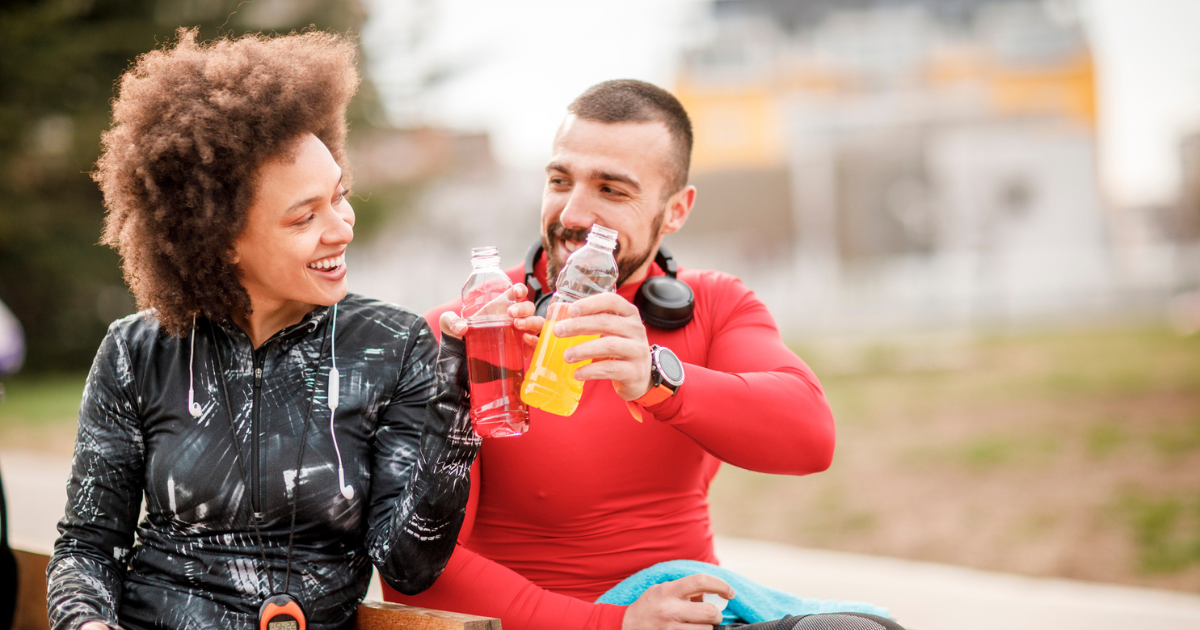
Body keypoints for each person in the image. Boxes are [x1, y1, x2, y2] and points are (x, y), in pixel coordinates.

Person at [46, 30, 480, 630]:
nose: (341, 228)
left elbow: (409, 566)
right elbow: (87, 548)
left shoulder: (394, 345)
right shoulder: (136, 352)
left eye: (340, 196)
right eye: (305, 216)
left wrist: (454, 416)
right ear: (219, 241)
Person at [385, 80, 839, 630]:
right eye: (559, 181)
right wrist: (612, 625)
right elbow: (417, 570)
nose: (574, 213)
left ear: (675, 212)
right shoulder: (465, 333)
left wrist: (657, 378)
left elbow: (811, 438)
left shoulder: (715, 305)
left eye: (612, 190)